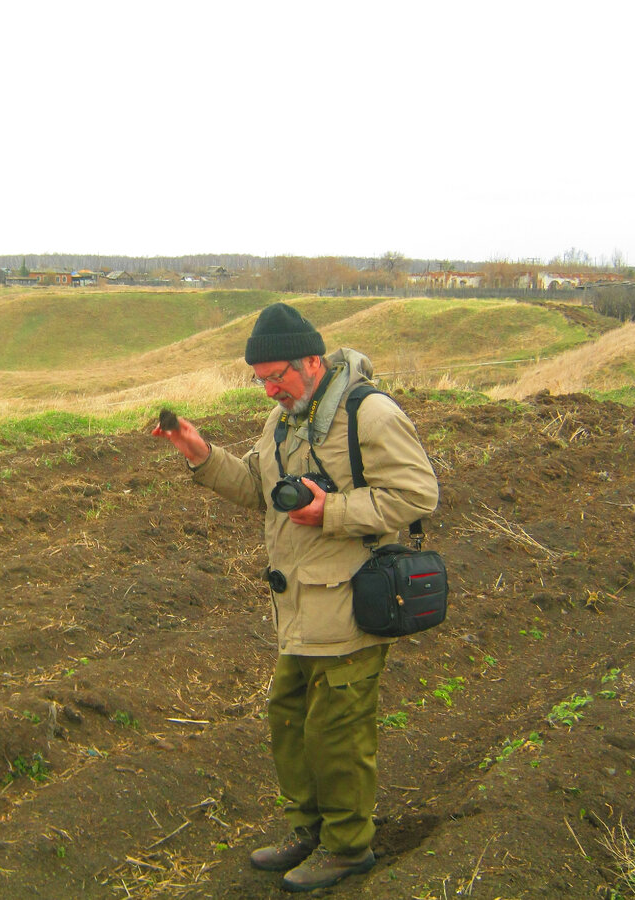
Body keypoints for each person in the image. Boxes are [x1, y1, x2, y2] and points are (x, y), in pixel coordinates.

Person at [153, 302, 439, 892]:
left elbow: (417, 495)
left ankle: (348, 846)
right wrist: (197, 452)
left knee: (338, 732)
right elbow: (261, 489)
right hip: (301, 608)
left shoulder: (370, 413)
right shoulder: (284, 421)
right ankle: (309, 832)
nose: (268, 390)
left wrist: (329, 511)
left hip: (353, 604)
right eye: (259, 379)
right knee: (290, 721)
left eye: (276, 375)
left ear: (313, 360)